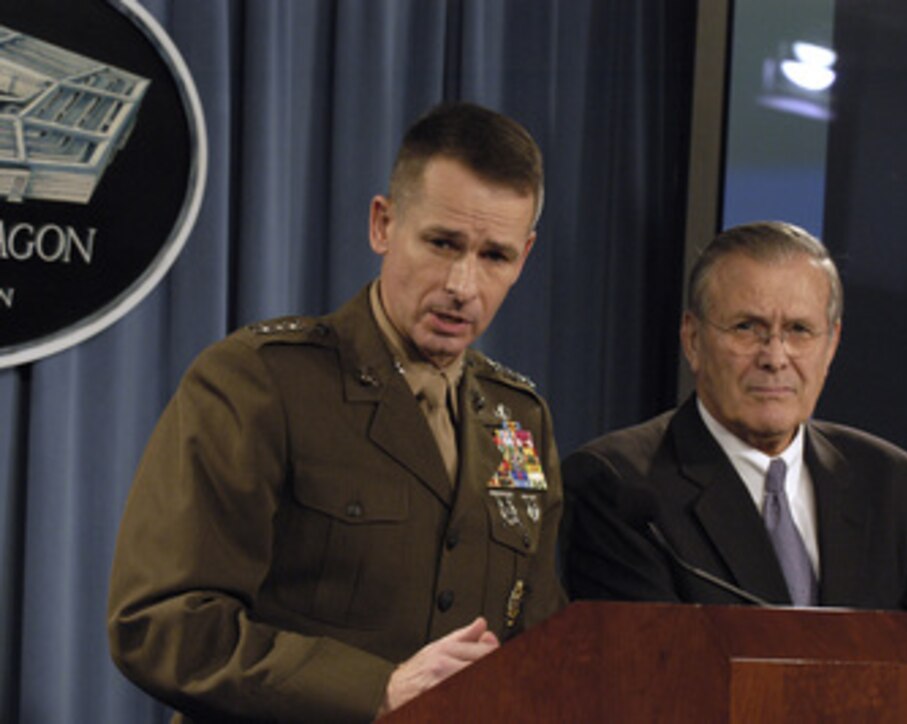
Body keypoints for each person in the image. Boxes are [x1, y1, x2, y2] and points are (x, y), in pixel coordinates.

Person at [108, 102, 566, 722]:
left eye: (495, 257)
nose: (463, 284)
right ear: (383, 224)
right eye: (442, 243)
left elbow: (539, 643)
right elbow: (162, 624)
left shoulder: (520, 419)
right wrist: (376, 690)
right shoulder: (260, 381)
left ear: (526, 257)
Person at [561, 220, 907, 614]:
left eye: (799, 330)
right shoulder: (620, 486)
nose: (775, 357)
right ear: (692, 340)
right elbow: (655, 673)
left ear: (832, 343)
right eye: (747, 327)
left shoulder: (894, 486)